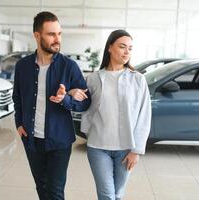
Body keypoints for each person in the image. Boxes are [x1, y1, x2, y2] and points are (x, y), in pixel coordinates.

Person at [12, 11, 91, 200]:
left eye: (59, 34)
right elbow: (17, 98)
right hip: (31, 139)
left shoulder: (69, 66)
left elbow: (86, 102)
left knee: (55, 192)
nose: (57, 39)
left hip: (60, 141)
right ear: (37, 35)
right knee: (41, 187)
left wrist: (66, 99)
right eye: (51, 34)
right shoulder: (22, 66)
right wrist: (19, 123)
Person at [80, 29, 152, 200]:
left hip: (126, 149)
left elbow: (144, 115)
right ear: (110, 48)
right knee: (106, 195)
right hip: (98, 147)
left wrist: (137, 150)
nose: (127, 52)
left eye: (130, 48)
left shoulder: (138, 79)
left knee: (118, 194)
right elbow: (86, 108)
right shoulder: (93, 78)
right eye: (122, 46)